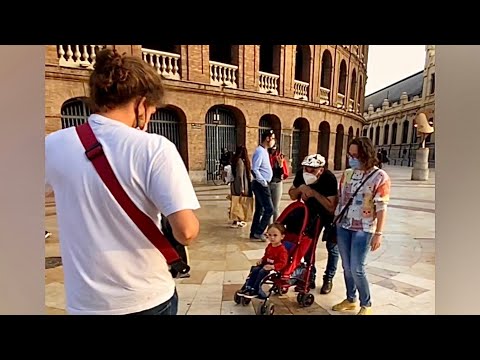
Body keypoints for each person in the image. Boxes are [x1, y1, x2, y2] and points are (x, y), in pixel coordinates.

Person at [44, 49, 200, 315]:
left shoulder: (53, 144)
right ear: (141, 103)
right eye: (151, 109)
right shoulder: (154, 147)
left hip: (85, 303)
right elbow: (185, 232)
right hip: (146, 297)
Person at [331, 137, 391, 315]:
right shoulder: (348, 173)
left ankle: (366, 304)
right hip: (343, 225)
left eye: (356, 155)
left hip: (363, 228)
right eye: (350, 154)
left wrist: (378, 233)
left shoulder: (380, 177)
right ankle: (350, 299)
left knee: (357, 267)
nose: (352, 158)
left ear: (366, 154)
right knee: (347, 267)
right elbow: (341, 199)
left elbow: (381, 207)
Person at [288, 154, 339, 294]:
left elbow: (331, 207)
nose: (308, 172)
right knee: (308, 244)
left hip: (329, 217)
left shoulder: (329, 178)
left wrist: (313, 193)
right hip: (311, 213)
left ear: (320, 170)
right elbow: (292, 194)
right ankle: (310, 275)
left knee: (332, 247)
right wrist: (300, 189)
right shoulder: (301, 175)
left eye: (312, 170)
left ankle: (328, 278)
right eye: (306, 169)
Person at [239, 223, 288, 299]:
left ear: (282, 236)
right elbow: (266, 256)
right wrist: (262, 260)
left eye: (275, 235)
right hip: (266, 265)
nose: (272, 237)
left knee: (262, 272)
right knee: (255, 269)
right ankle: (249, 286)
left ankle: (256, 289)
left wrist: (273, 266)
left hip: (275, 269)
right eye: (270, 235)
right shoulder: (269, 246)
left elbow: (283, 263)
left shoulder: (282, 250)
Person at [249, 129, 276, 241]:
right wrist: (263, 182)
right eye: (273, 138)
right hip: (261, 185)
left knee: (259, 210)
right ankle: (259, 232)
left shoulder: (264, 151)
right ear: (268, 138)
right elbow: (254, 169)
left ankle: (254, 232)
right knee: (269, 209)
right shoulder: (260, 151)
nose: (274, 141)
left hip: (262, 184)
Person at [230, 145, 252, 228]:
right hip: (240, 185)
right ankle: (238, 219)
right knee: (240, 202)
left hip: (236, 185)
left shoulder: (236, 161)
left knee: (237, 202)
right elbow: (240, 175)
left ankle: (237, 219)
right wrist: (242, 188)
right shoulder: (240, 162)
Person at [268, 145, 289, 224]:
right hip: (268, 183)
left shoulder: (279, 158)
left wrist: (280, 164)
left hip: (277, 183)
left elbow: (283, 174)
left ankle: (276, 226)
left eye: (274, 148)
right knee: (269, 207)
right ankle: (269, 227)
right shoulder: (266, 157)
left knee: (275, 207)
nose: (272, 150)